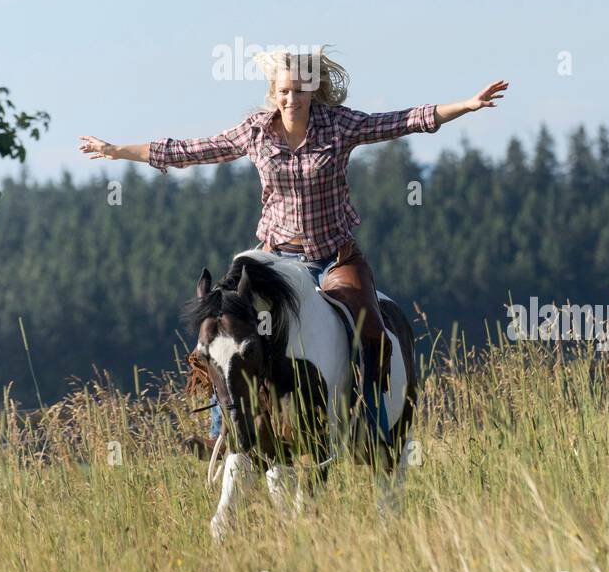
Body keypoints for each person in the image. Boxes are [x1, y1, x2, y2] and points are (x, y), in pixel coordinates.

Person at [79, 48, 508, 445]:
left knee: (372, 331)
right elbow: (190, 151)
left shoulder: (339, 126)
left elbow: (403, 120)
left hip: (333, 257)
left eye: (300, 90)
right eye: (284, 91)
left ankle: (372, 420)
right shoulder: (255, 132)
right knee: (225, 324)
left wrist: (465, 106)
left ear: (313, 91)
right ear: (274, 93)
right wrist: (118, 151)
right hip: (275, 258)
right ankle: (221, 429)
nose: (291, 98)